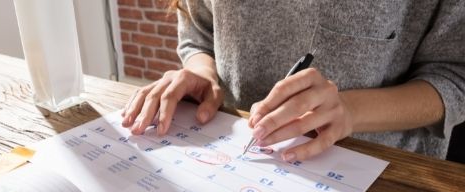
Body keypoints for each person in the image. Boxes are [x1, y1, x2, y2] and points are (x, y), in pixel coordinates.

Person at [122, 1, 465, 162]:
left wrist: (349, 110)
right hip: (237, 153)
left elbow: (455, 74)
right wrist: (201, 73)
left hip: (381, 181)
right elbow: (198, 31)